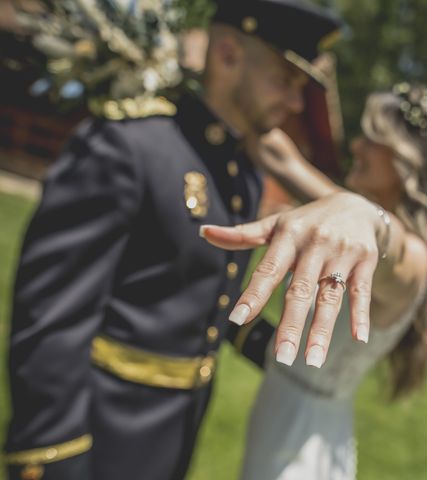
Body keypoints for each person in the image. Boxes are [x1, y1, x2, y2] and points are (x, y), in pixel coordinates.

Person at [3, 1, 348, 479]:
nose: (295, 104)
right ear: (228, 54)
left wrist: (286, 353)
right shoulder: (129, 147)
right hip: (100, 438)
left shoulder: (240, 175)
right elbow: (51, 321)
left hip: (175, 435)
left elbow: (201, 293)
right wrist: (51, 456)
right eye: (286, 81)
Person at [202, 83, 427, 479]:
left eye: (374, 138)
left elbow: (392, 247)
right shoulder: (344, 213)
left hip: (304, 448)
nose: (357, 145)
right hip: (283, 417)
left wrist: (367, 217)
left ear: (410, 163)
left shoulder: (417, 259)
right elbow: (279, 158)